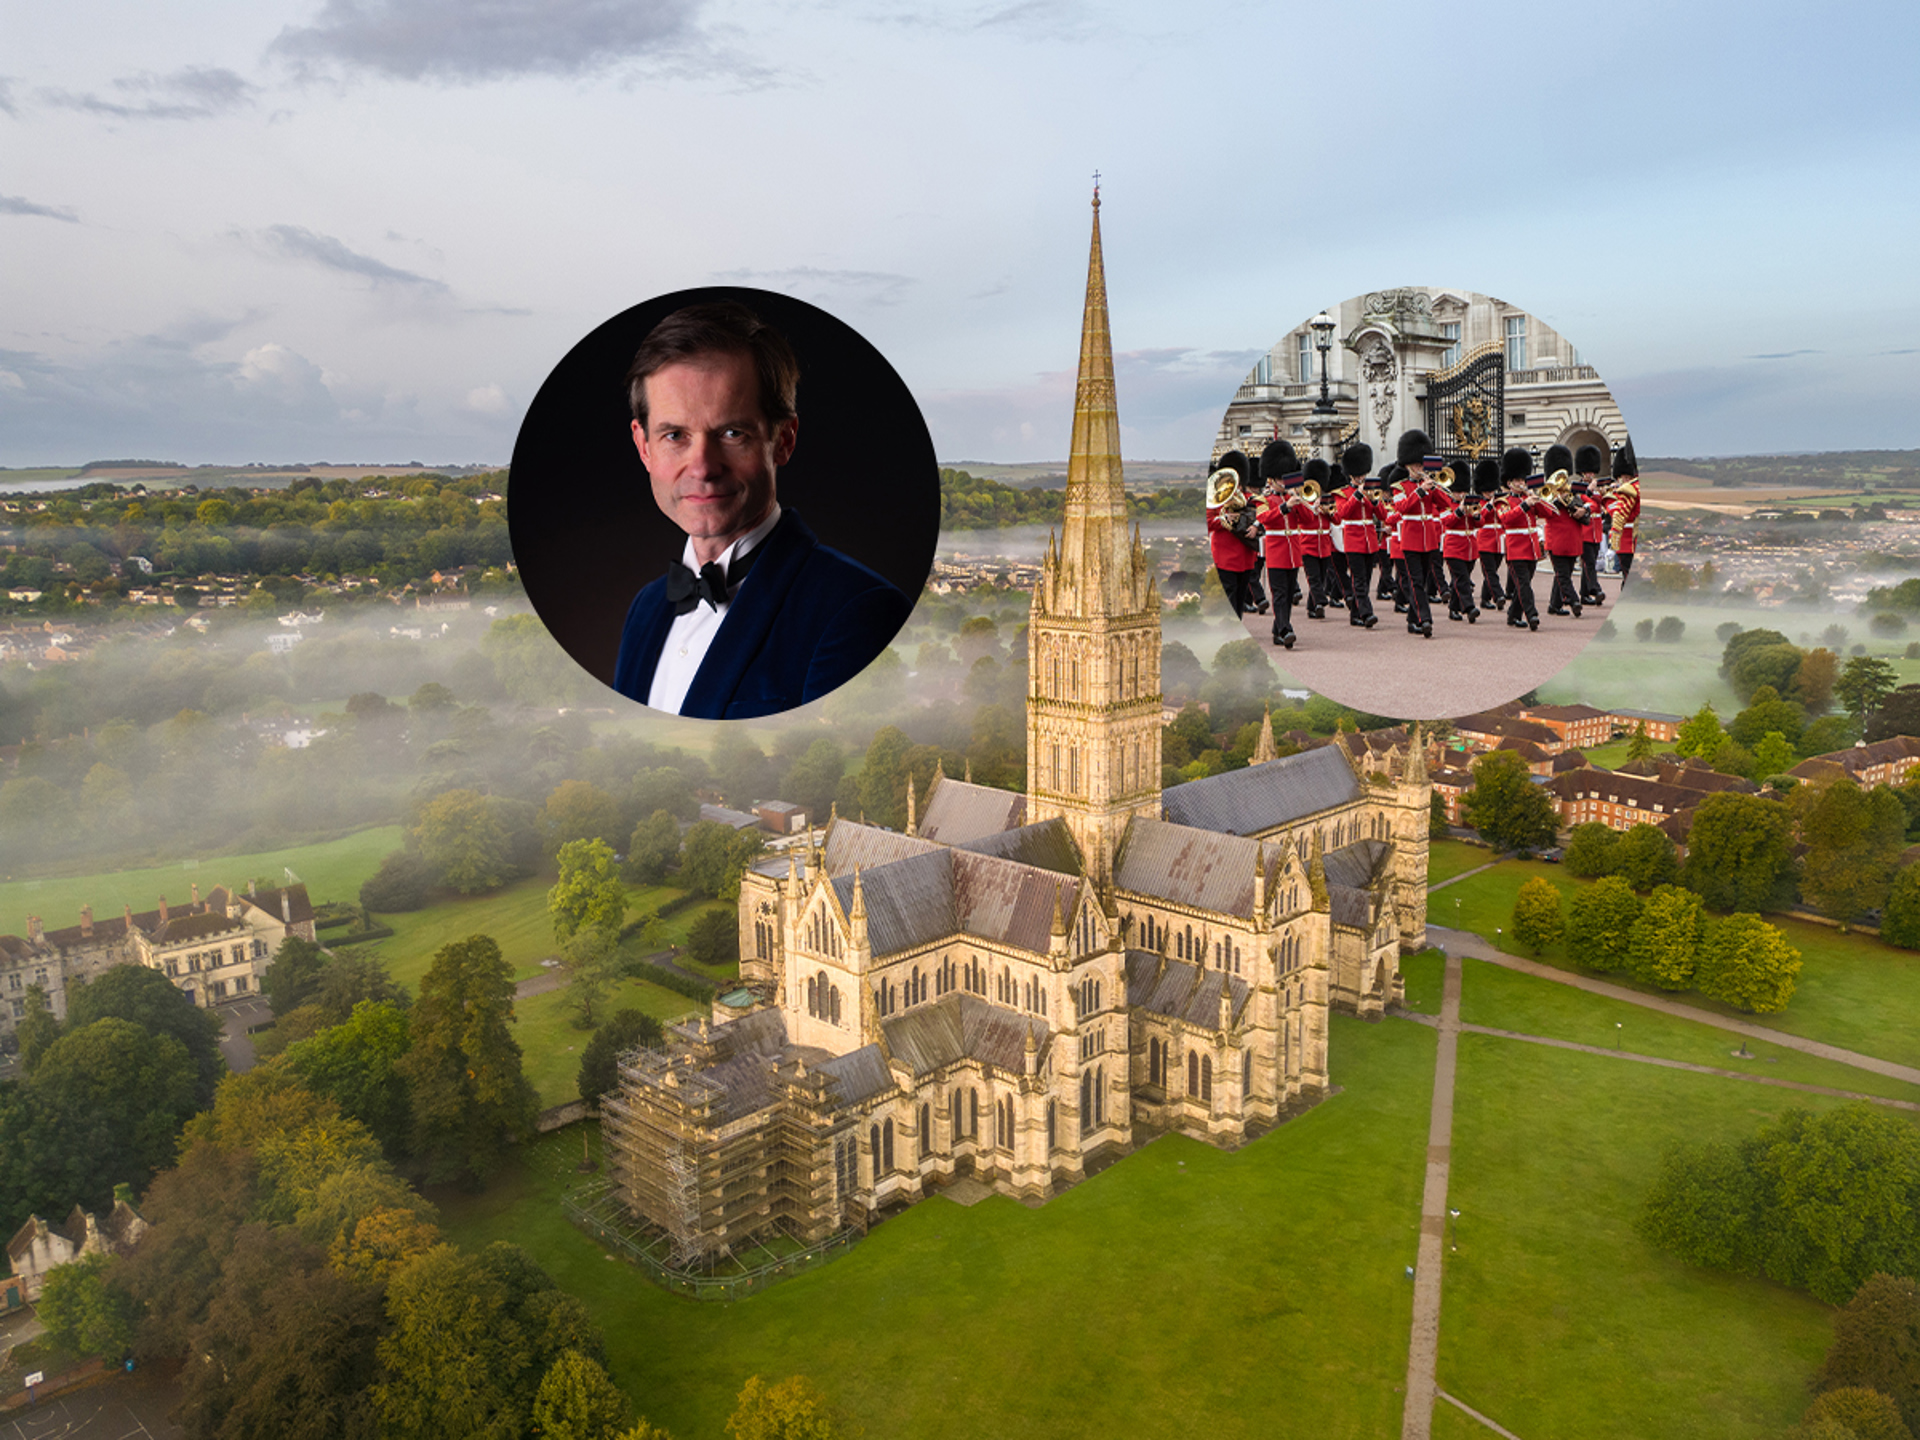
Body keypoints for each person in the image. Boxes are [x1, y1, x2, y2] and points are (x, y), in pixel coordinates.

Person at [612, 302, 911, 717]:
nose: (702, 467)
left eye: (733, 433)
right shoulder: (645, 609)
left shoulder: (859, 612)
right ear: (644, 446)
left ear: (784, 439)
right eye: (675, 435)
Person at [1207, 449, 1263, 617]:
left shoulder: (1249, 498)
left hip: (1245, 555)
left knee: (1240, 598)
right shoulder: (1217, 499)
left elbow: (1263, 516)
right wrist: (1223, 518)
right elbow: (1209, 522)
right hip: (1225, 555)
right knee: (1229, 598)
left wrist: (1256, 527)